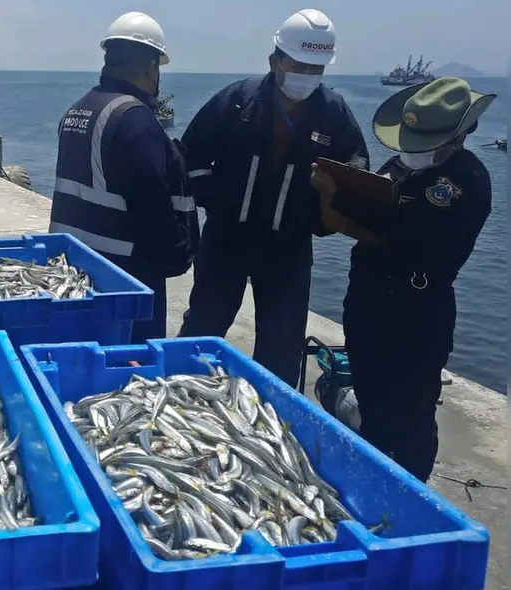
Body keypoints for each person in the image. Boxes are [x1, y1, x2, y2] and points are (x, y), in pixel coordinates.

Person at [310, 77, 494, 482]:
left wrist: (333, 203)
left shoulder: (465, 182)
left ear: (463, 132)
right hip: (369, 300)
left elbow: (395, 236)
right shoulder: (400, 164)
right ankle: (370, 478)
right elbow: (374, 204)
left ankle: (410, 492)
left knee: (412, 413)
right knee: (371, 399)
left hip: (417, 309)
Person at [177, 9, 368, 387]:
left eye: (317, 69)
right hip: (225, 240)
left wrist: (327, 204)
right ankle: (180, 391)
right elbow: (189, 155)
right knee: (203, 327)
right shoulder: (236, 100)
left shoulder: (334, 113)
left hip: (289, 249)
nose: (308, 76)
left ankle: (274, 422)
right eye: (300, 65)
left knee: (282, 346)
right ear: (275, 60)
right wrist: (215, 199)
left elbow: (356, 170)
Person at [48, 11, 198, 341]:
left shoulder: (78, 109)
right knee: (130, 372)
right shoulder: (134, 119)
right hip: (125, 280)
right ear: (151, 67)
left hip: (70, 267)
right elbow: (153, 206)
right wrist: (177, 254)